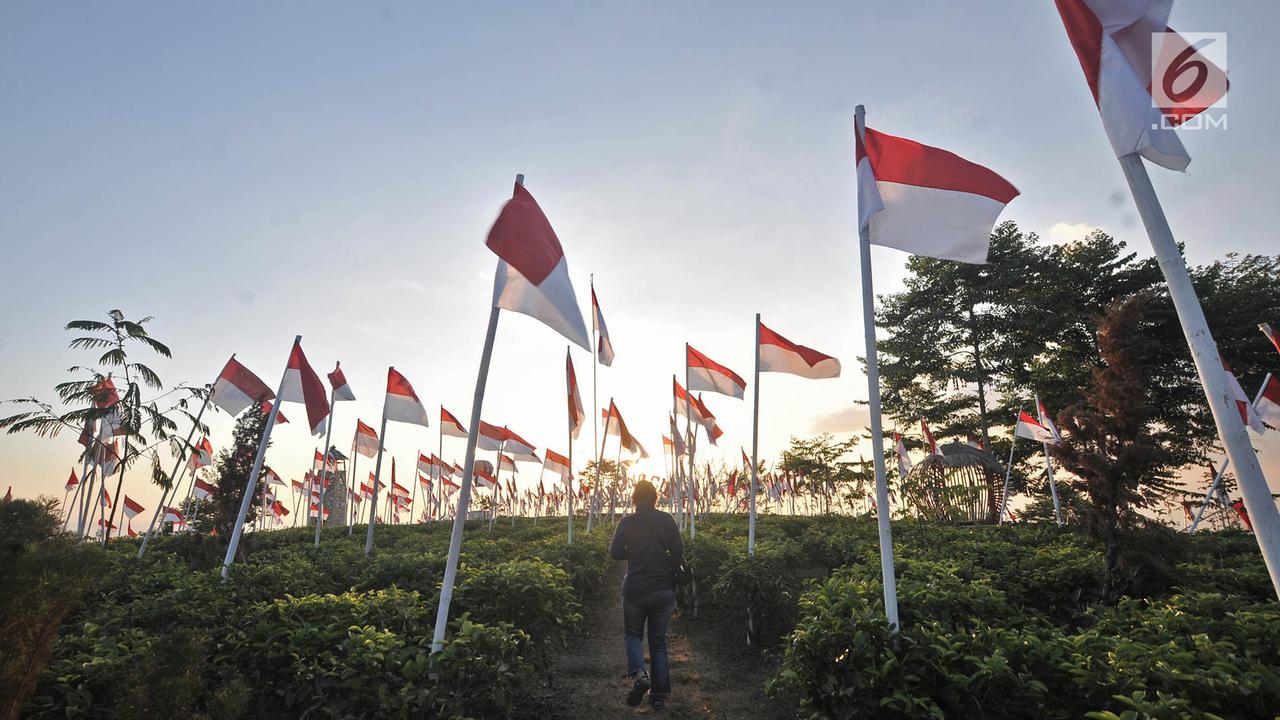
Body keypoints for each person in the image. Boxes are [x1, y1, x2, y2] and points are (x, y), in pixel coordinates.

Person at [608, 479, 683, 709]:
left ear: (634, 499)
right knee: (658, 642)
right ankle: (658, 696)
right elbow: (679, 552)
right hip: (663, 590)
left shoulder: (627, 522)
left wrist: (633, 554)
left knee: (632, 635)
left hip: (636, 590)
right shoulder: (667, 520)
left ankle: (641, 676)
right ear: (655, 498)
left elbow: (614, 553)